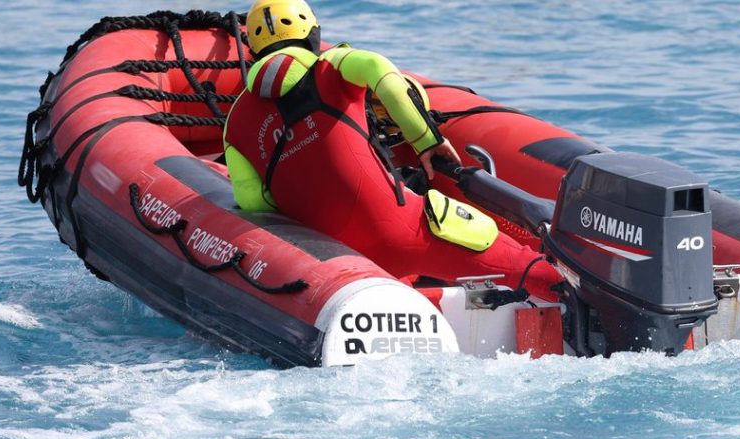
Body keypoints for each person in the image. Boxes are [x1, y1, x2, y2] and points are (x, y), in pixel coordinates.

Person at [223, 0, 563, 300]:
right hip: (400, 233)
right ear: (313, 35)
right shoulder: (332, 65)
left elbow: (254, 202)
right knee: (524, 265)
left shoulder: (235, 121)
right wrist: (425, 141)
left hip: (332, 258)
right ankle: (579, 305)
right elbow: (380, 72)